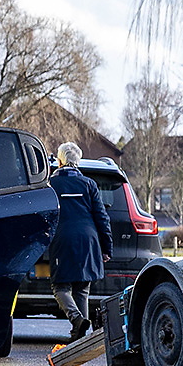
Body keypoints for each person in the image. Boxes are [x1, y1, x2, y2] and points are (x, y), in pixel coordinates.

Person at [48, 142, 113, 340]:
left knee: (60, 287)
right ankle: (81, 339)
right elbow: (102, 217)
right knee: (82, 288)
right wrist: (106, 247)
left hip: (63, 240)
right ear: (78, 161)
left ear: (59, 160)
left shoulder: (51, 184)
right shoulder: (89, 184)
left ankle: (76, 319)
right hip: (89, 240)